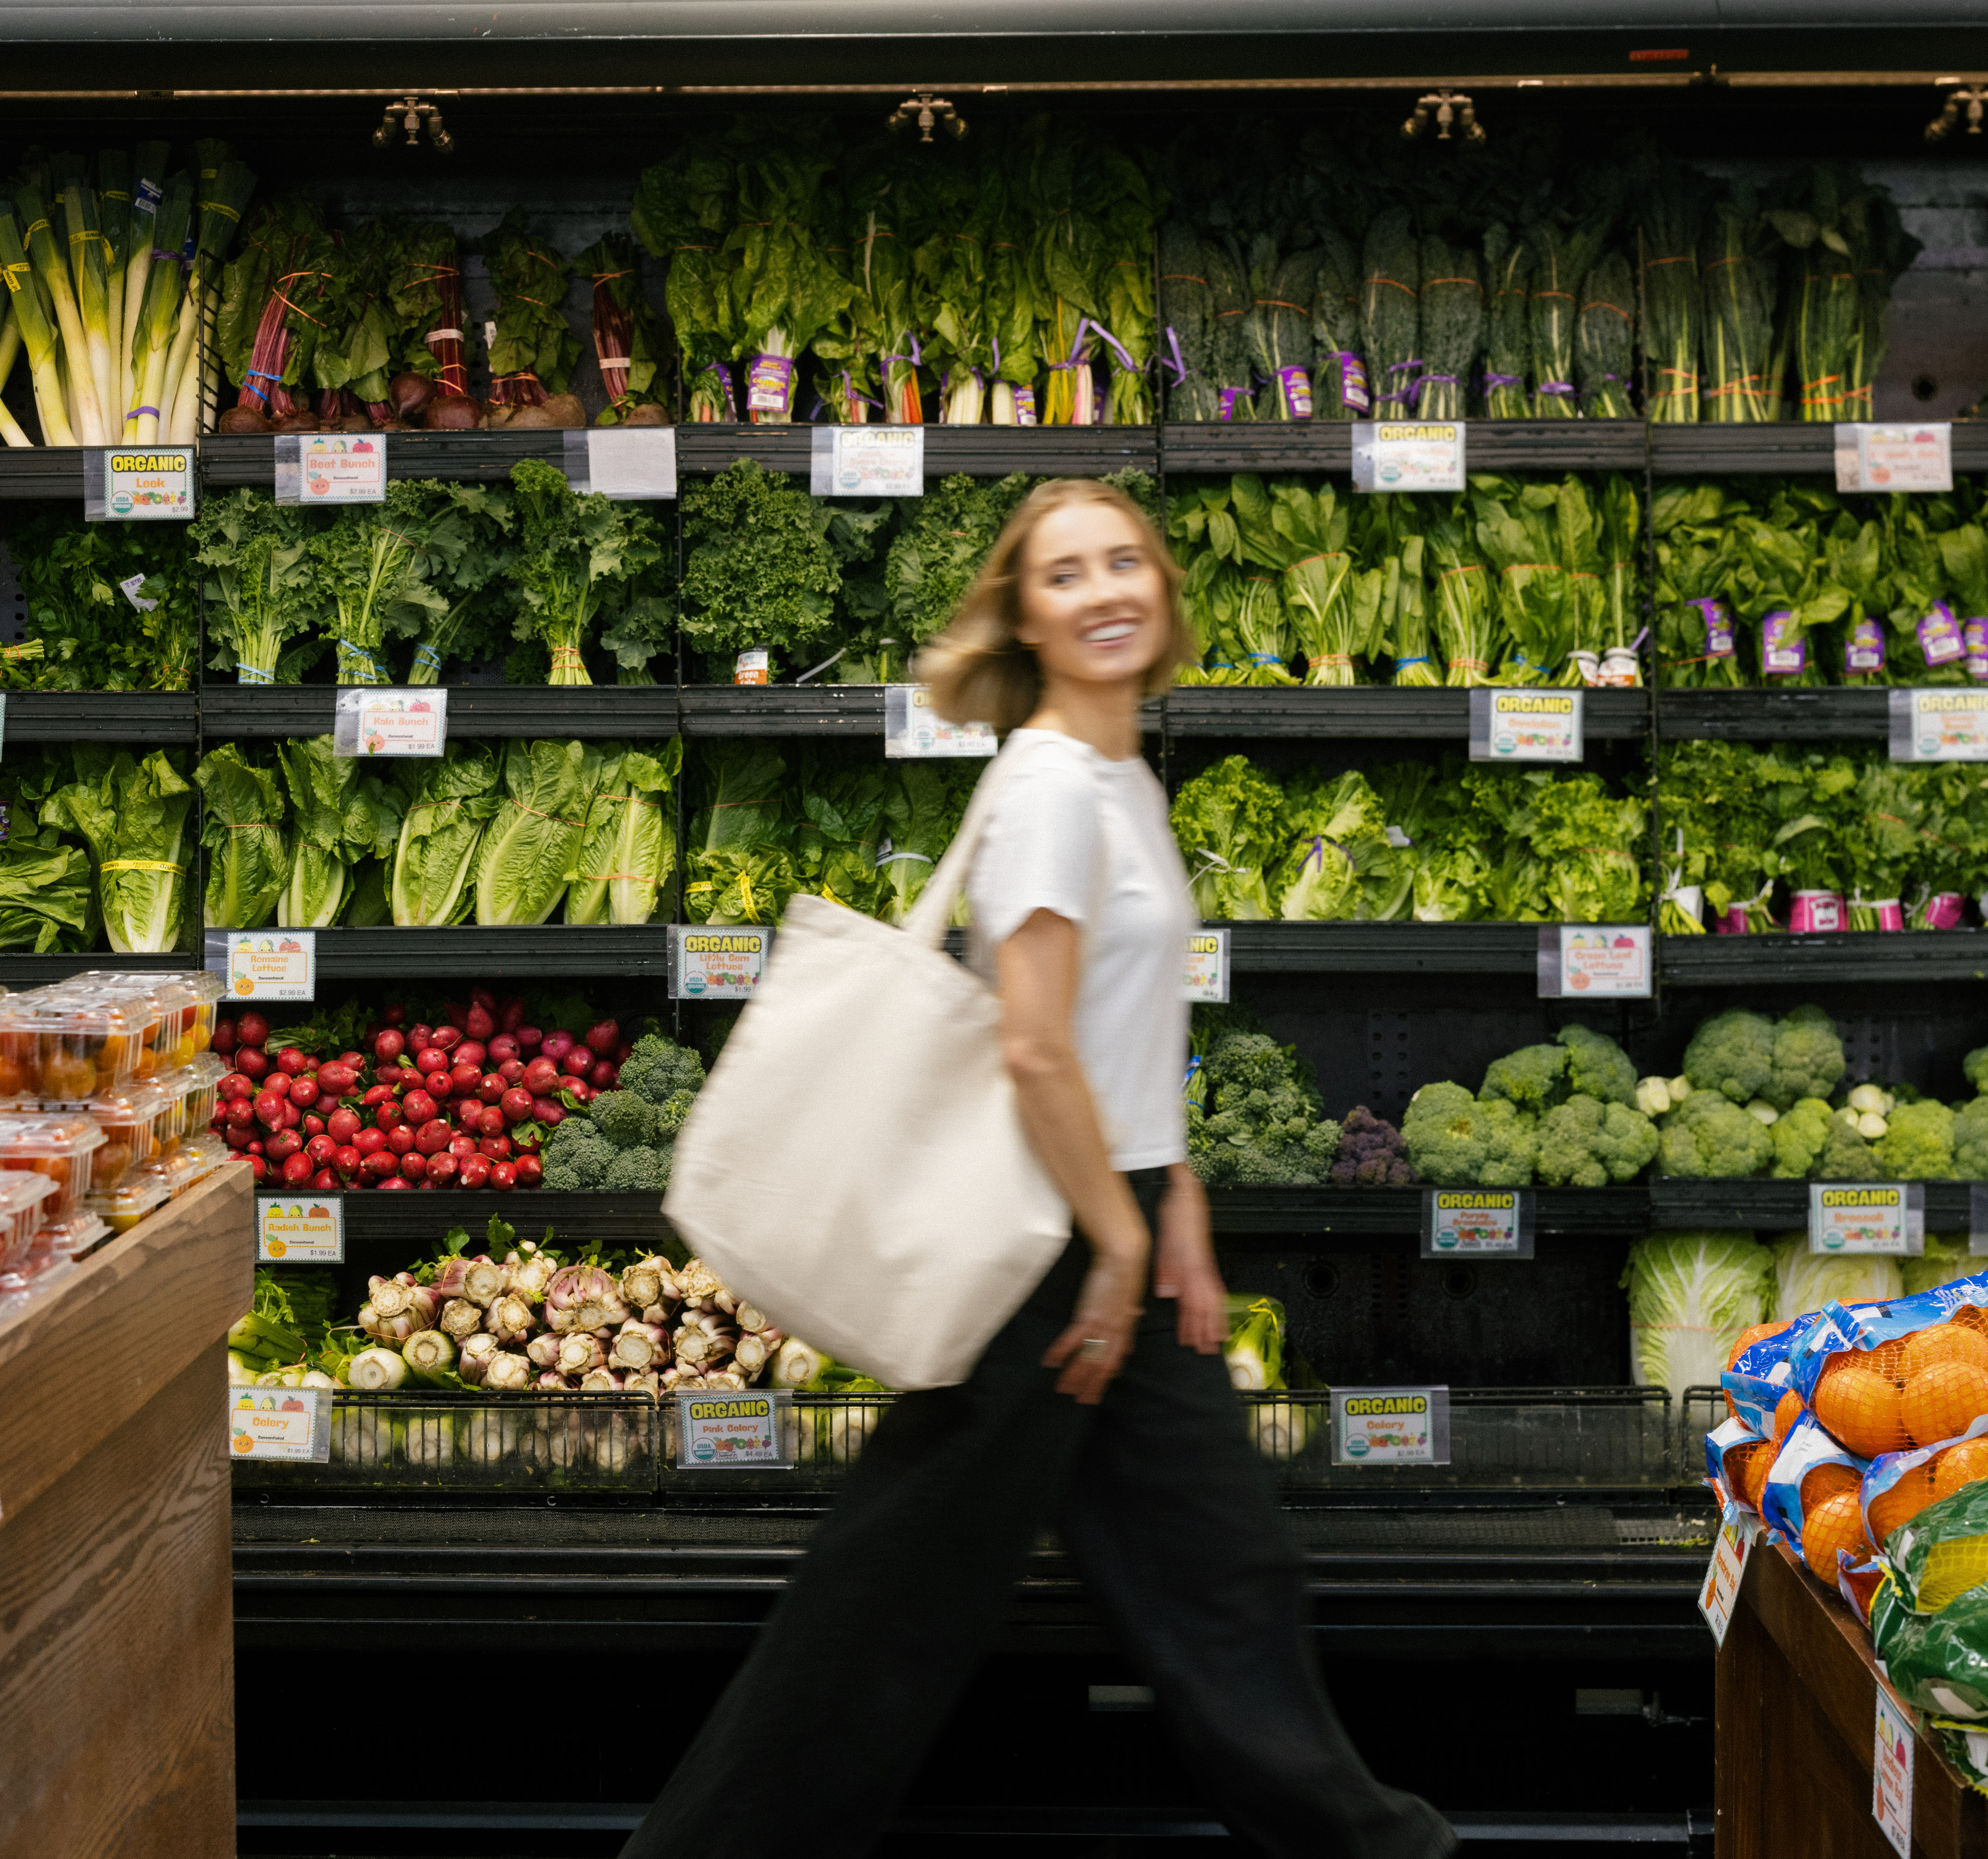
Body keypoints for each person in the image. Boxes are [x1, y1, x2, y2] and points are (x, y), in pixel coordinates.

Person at [624, 479, 1456, 1859]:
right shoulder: (1053, 785)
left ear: (1164, 592)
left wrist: (1173, 1197)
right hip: (1041, 1236)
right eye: (1065, 573)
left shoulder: (1120, 774)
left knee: (1220, 1576)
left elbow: (1125, 1027)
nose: (1104, 589)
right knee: (892, 1600)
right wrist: (1118, 1234)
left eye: (1125, 560)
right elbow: (1031, 1042)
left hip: (1111, 1205)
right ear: (1024, 616)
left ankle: (1371, 1849)